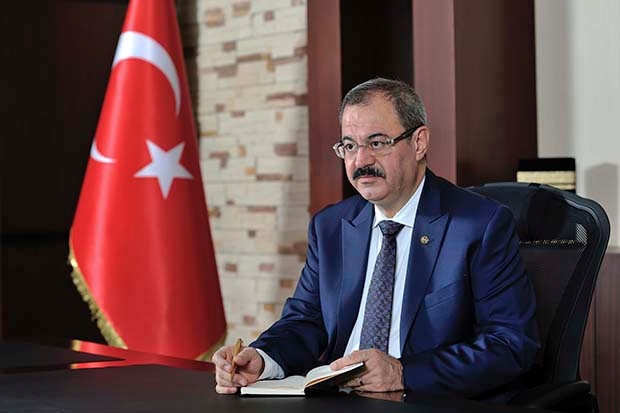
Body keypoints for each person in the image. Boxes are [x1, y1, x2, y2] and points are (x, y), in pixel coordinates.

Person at [213, 78, 539, 401]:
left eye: (378, 143)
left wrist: (403, 373)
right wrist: (263, 359)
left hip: (423, 400)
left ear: (419, 142)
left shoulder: (479, 225)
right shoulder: (331, 226)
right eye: (349, 146)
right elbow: (305, 320)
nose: (361, 161)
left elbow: (511, 343)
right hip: (337, 400)